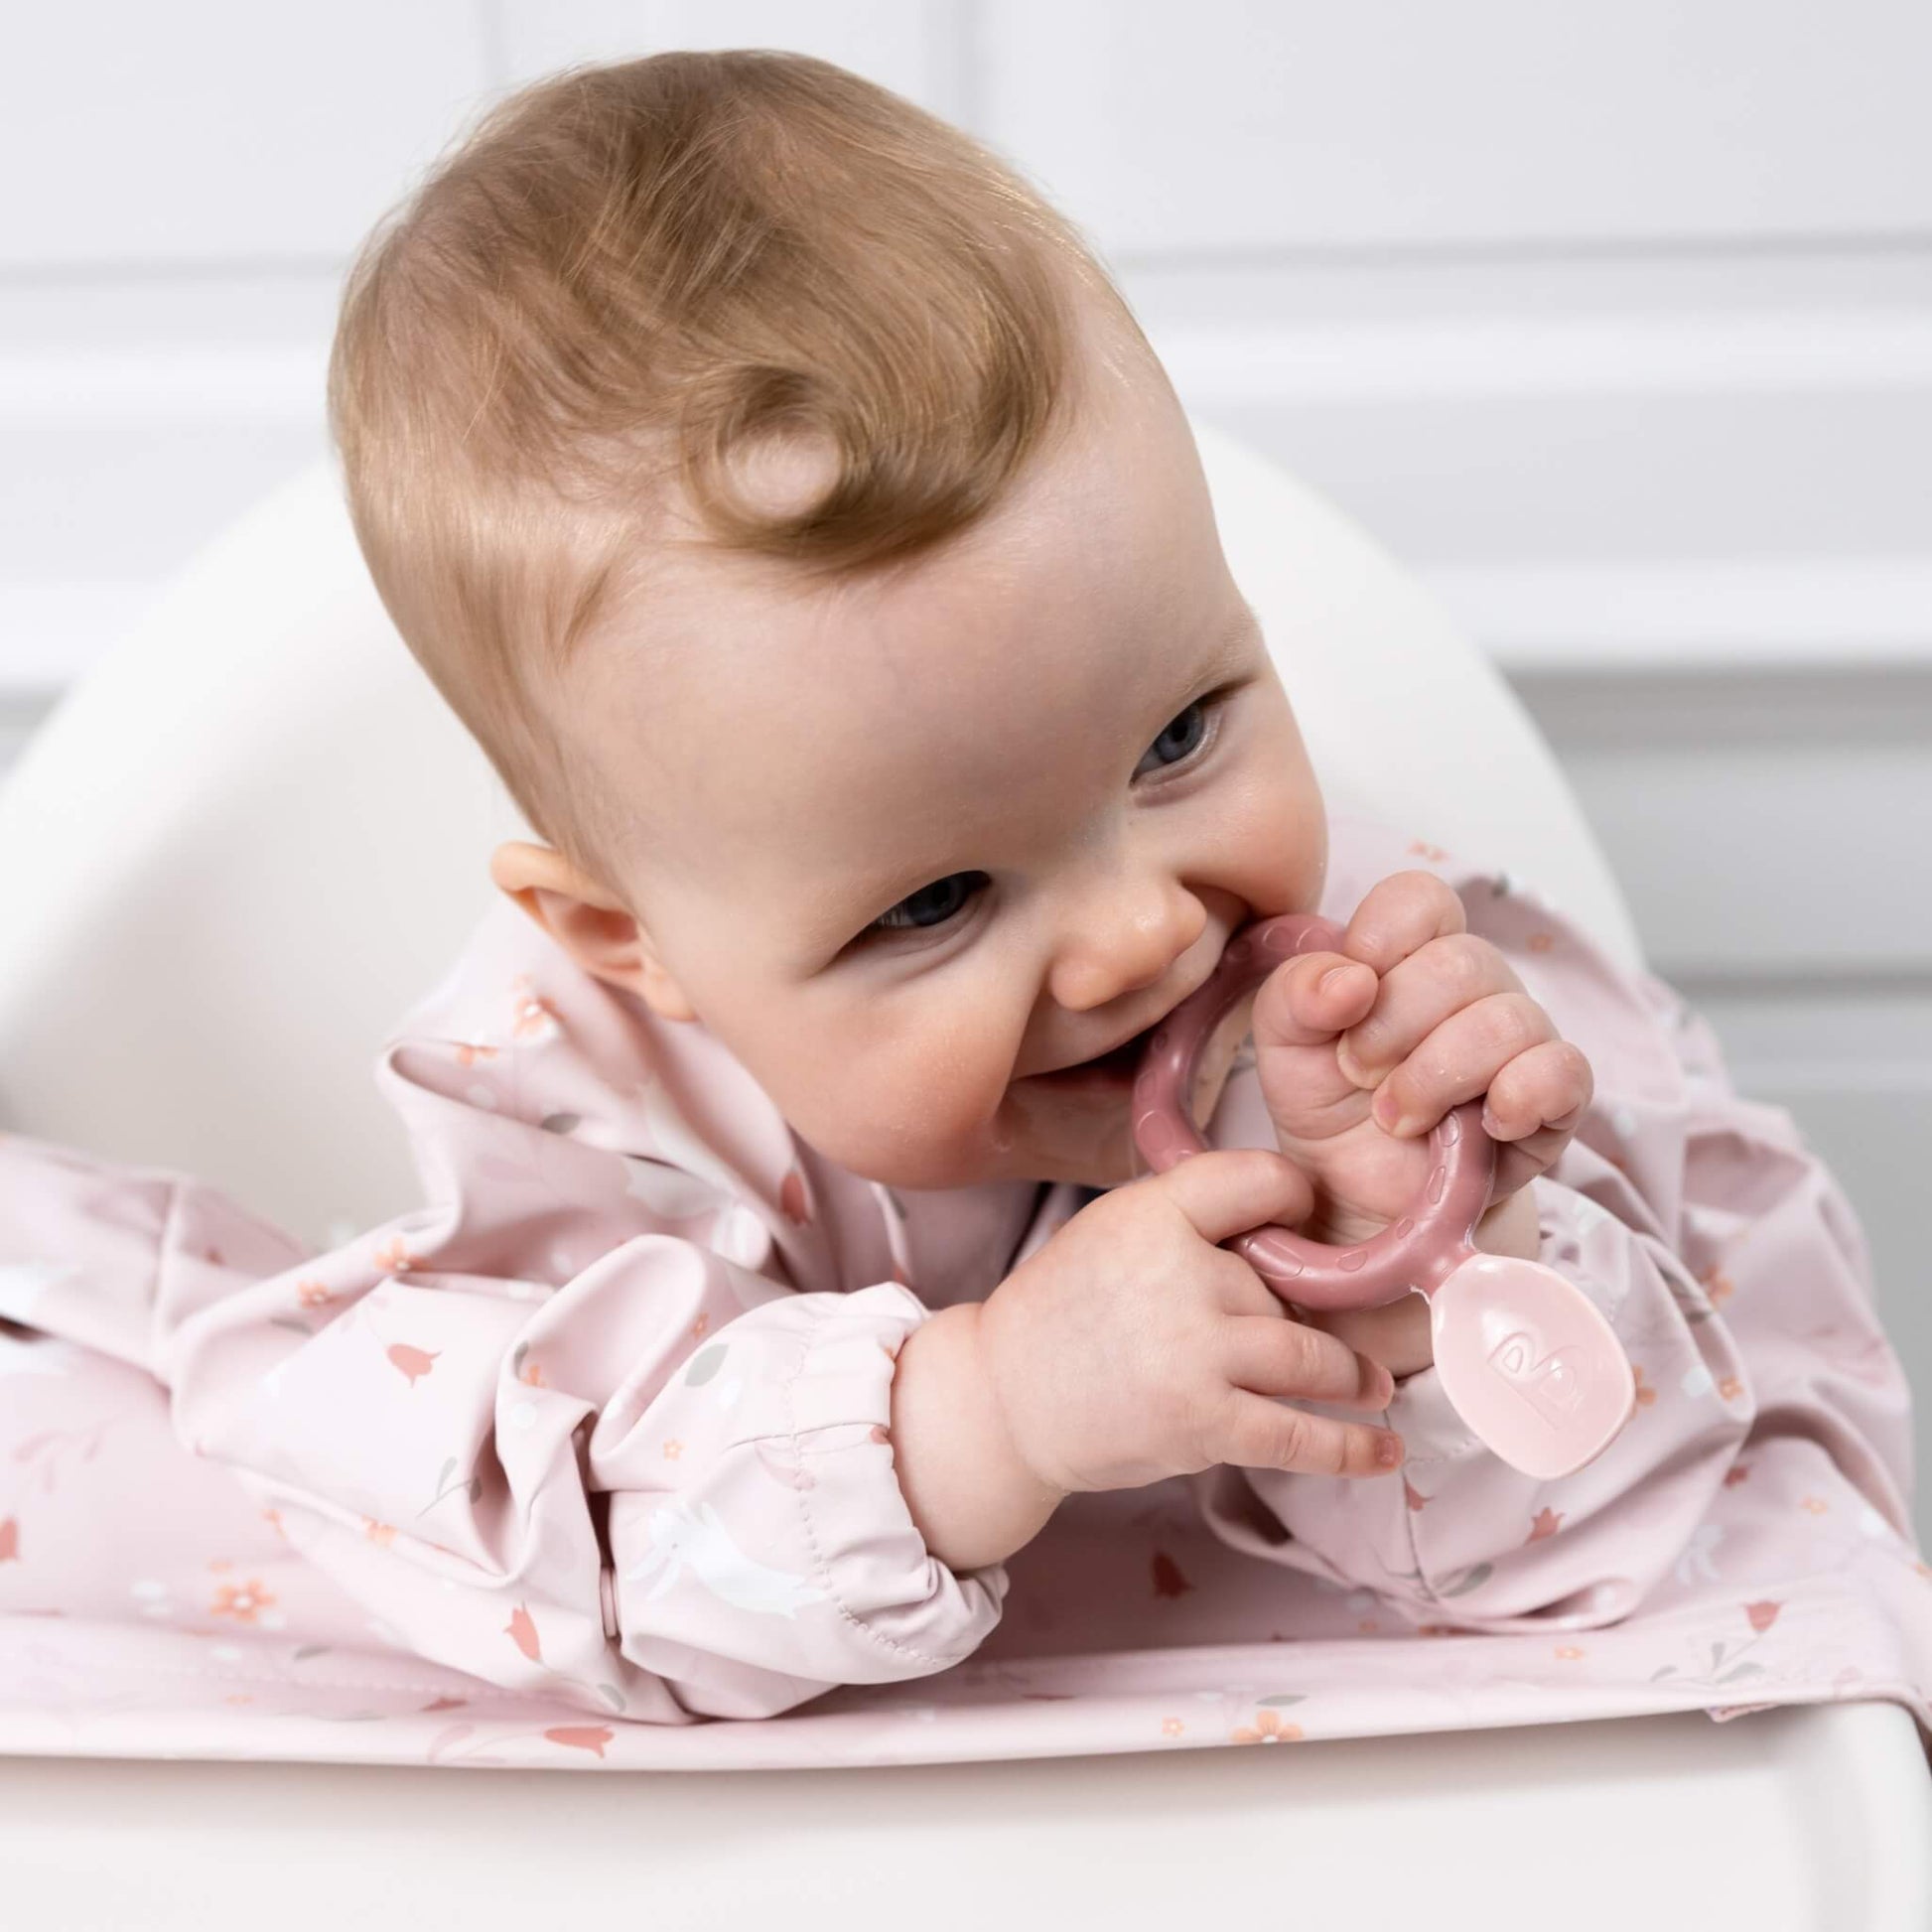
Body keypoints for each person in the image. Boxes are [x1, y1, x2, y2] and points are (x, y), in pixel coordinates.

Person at [0, 50, 1918, 1727]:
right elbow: (548, 1575)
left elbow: (1642, 1539)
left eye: (1178, 735)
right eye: (929, 904)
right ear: (631, 940)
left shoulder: (1390, 1019)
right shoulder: (581, 1118)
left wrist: (1414, 1267)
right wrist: (980, 1417)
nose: (1144, 931)